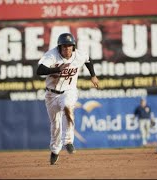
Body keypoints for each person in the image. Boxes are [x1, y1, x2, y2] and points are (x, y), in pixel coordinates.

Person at [36, 33, 99, 165]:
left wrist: (93, 75)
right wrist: (57, 69)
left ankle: (68, 141)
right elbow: (40, 70)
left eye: (69, 46)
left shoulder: (79, 55)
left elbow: (88, 60)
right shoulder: (52, 55)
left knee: (67, 107)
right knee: (55, 125)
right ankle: (55, 150)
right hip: (51, 94)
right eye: (64, 47)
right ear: (59, 47)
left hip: (69, 91)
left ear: (73, 47)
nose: (67, 49)